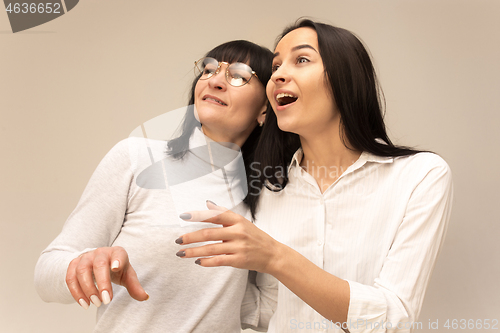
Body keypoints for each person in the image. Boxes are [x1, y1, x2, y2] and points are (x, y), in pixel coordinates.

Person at [176, 19, 453, 333]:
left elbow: (393, 319)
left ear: (345, 79)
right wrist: (150, 261)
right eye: (277, 64)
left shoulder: (420, 176)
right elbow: (265, 312)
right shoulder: (268, 189)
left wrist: (275, 256)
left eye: (302, 60)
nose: (278, 73)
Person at [34, 40, 276, 332]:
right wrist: (88, 264)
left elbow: (259, 311)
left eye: (239, 75)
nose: (216, 80)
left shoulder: (265, 197)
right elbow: (46, 274)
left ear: (264, 110)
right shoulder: (136, 157)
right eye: (209, 68)